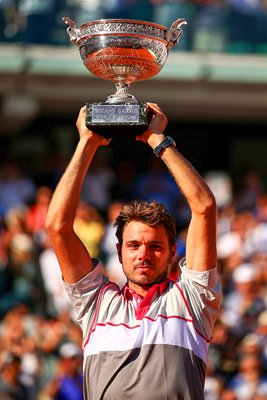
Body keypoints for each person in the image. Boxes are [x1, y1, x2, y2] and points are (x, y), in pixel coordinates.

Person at [46, 102, 222, 399]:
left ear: (172, 252)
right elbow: (57, 226)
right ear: (119, 251)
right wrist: (87, 143)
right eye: (133, 245)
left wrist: (157, 139)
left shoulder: (192, 299)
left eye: (155, 246)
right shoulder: (96, 302)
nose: (143, 254)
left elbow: (204, 207)